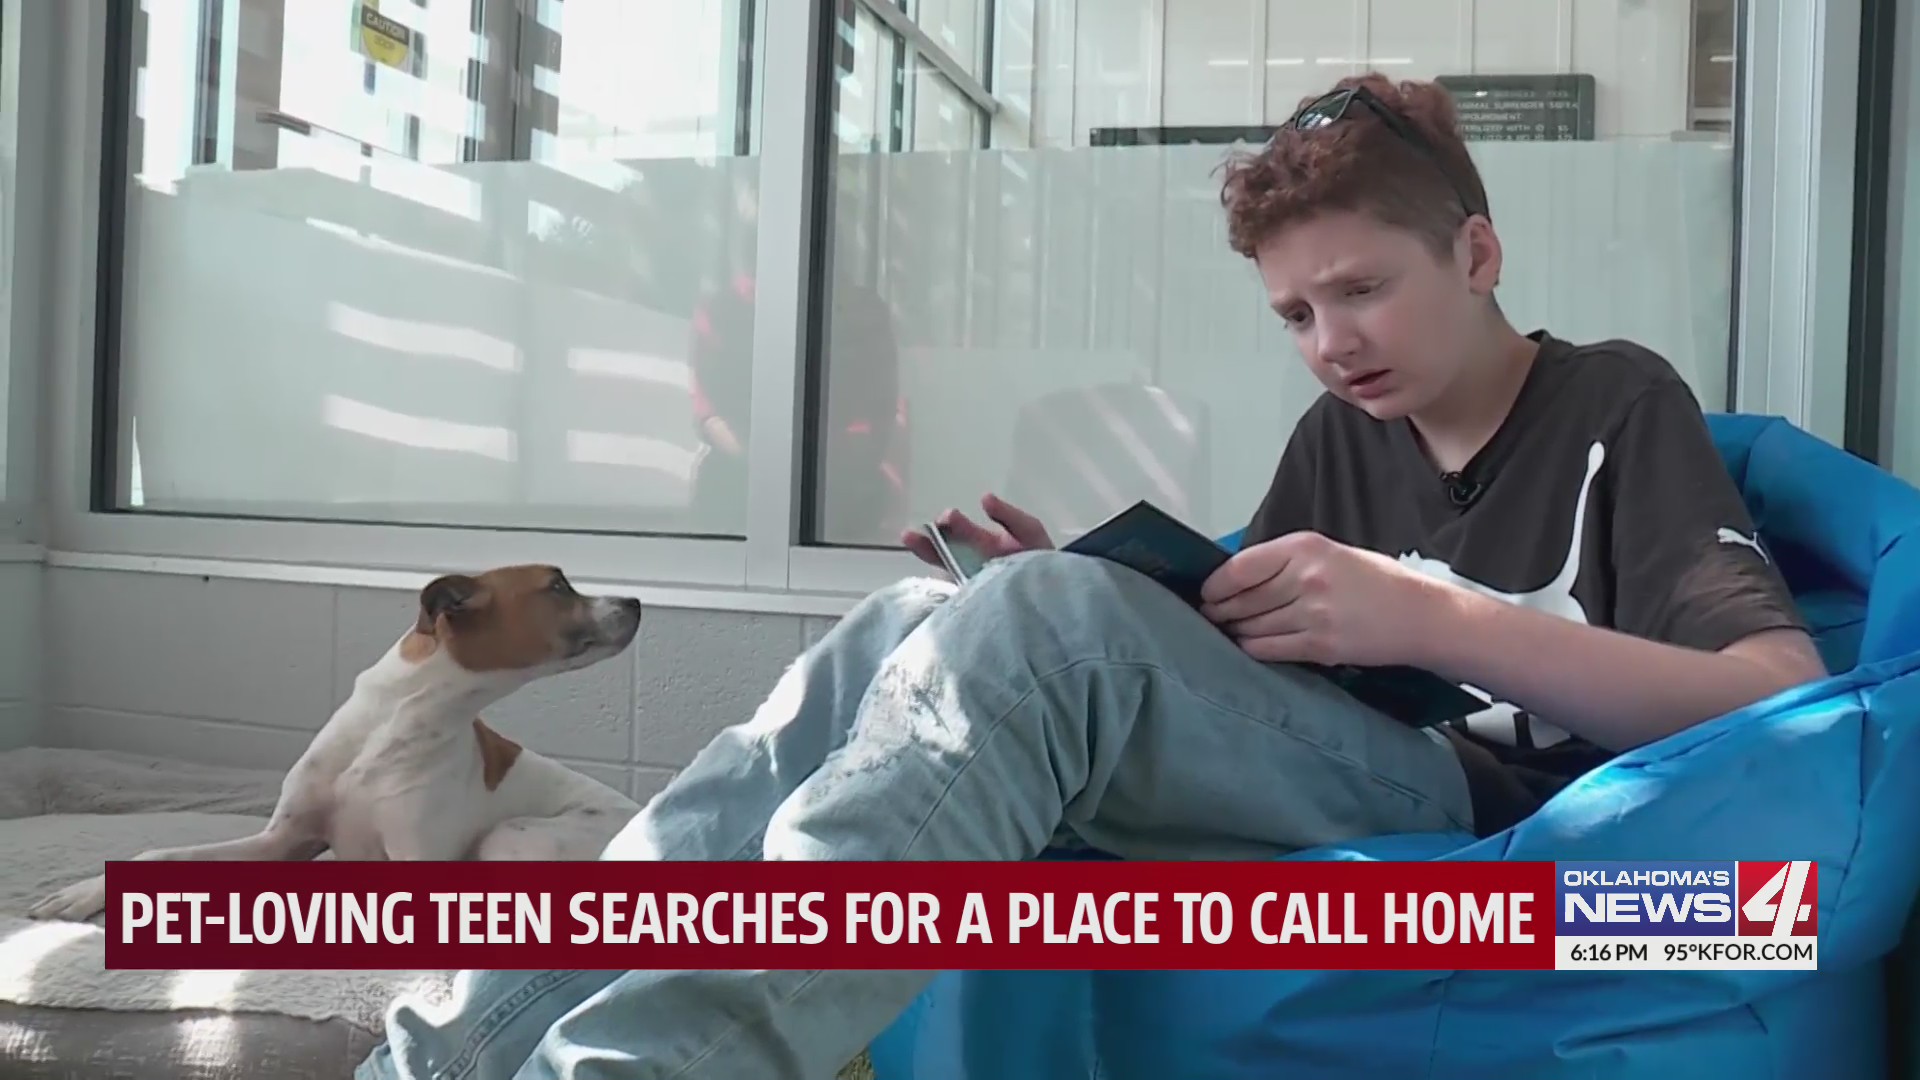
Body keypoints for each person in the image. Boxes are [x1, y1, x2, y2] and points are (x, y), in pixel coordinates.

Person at [355, 72, 1828, 1080]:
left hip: (1480, 801)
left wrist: (1432, 617)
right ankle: (438, 1061)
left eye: (1363, 291)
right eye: (1295, 313)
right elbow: (1248, 672)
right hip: (1339, 749)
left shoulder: (1618, 406)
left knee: (1047, 634)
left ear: (1480, 250)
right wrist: (1058, 600)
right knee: (916, 622)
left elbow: (1777, 697)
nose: (1330, 341)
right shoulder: (1340, 432)